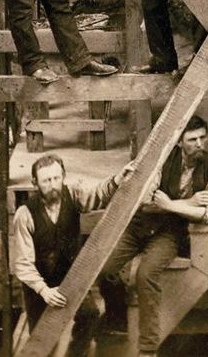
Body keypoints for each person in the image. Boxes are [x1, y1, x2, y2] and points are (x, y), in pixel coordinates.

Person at [101, 115, 208, 356]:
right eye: (192, 139)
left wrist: (170, 205)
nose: (199, 144)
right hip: (139, 225)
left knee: (146, 274)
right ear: (179, 142)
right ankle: (117, 321)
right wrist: (189, 203)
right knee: (105, 268)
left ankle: (148, 348)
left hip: (169, 233)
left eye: (203, 138)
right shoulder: (162, 160)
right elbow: (145, 203)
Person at [14, 152, 136, 356]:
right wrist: (44, 291)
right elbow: (23, 264)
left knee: (89, 314)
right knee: (42, 339)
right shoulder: (24, 214)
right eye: (46, 181)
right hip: (39, 284)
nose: (53, 185)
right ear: (35, 183)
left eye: (56, 178)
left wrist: (117, 180)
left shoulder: (72, 195)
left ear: (63, 176)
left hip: (70, 276)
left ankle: (76, 353)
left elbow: (98, 195)